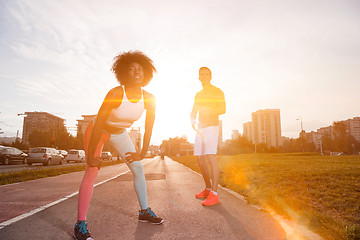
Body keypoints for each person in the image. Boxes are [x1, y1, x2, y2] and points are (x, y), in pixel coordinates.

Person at [74, 51, 163, 240]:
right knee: (91, 170)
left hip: (120, 134)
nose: (137, 72)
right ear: (123, 73)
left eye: (140, 69)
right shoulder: (115, 93)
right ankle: (80, 223)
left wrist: (142, 152)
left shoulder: (149, 98)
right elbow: (98, 125)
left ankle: (144, 211)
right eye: (131, 69)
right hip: (98, 130)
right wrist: (91, 155)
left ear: (146, 73)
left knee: (138, 168)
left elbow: (149, 128)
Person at [190, 67, 226, 206]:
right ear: (199, 77)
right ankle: (208, 188)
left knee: (211, 156)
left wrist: (208, 109)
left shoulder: (217, 91)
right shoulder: (198, 94)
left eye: (207, 74)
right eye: (202, 74)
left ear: (210, 76)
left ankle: (215, 195)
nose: (204, 76)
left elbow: (223, 109)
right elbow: (194, 110)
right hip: (200, 128)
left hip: (212, 126)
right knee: (200, 159)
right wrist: (192, 118)